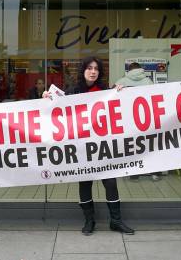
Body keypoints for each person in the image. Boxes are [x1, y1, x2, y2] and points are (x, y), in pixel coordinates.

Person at [43, 56, 134, 236]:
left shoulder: (106, 91)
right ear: (83, 70)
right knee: (85, 183)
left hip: (103, 148)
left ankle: (116, 221)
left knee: (110, 182)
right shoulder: (72, 91)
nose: (93, 71)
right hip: (82, 148)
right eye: (89, 68)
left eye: (96, 69)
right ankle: (89, 221)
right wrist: (47, 97)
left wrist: (121, 93)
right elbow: (55, 108)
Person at [115, 62, 161, 181]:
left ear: (128, 70)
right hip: (146, 119)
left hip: (127, 120)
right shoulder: (148, 82)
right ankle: (155, 173)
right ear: (141, 69)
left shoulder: (121, 81)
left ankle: (134, 174)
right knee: (150, 146)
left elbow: (110, 97)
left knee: (132, 146)